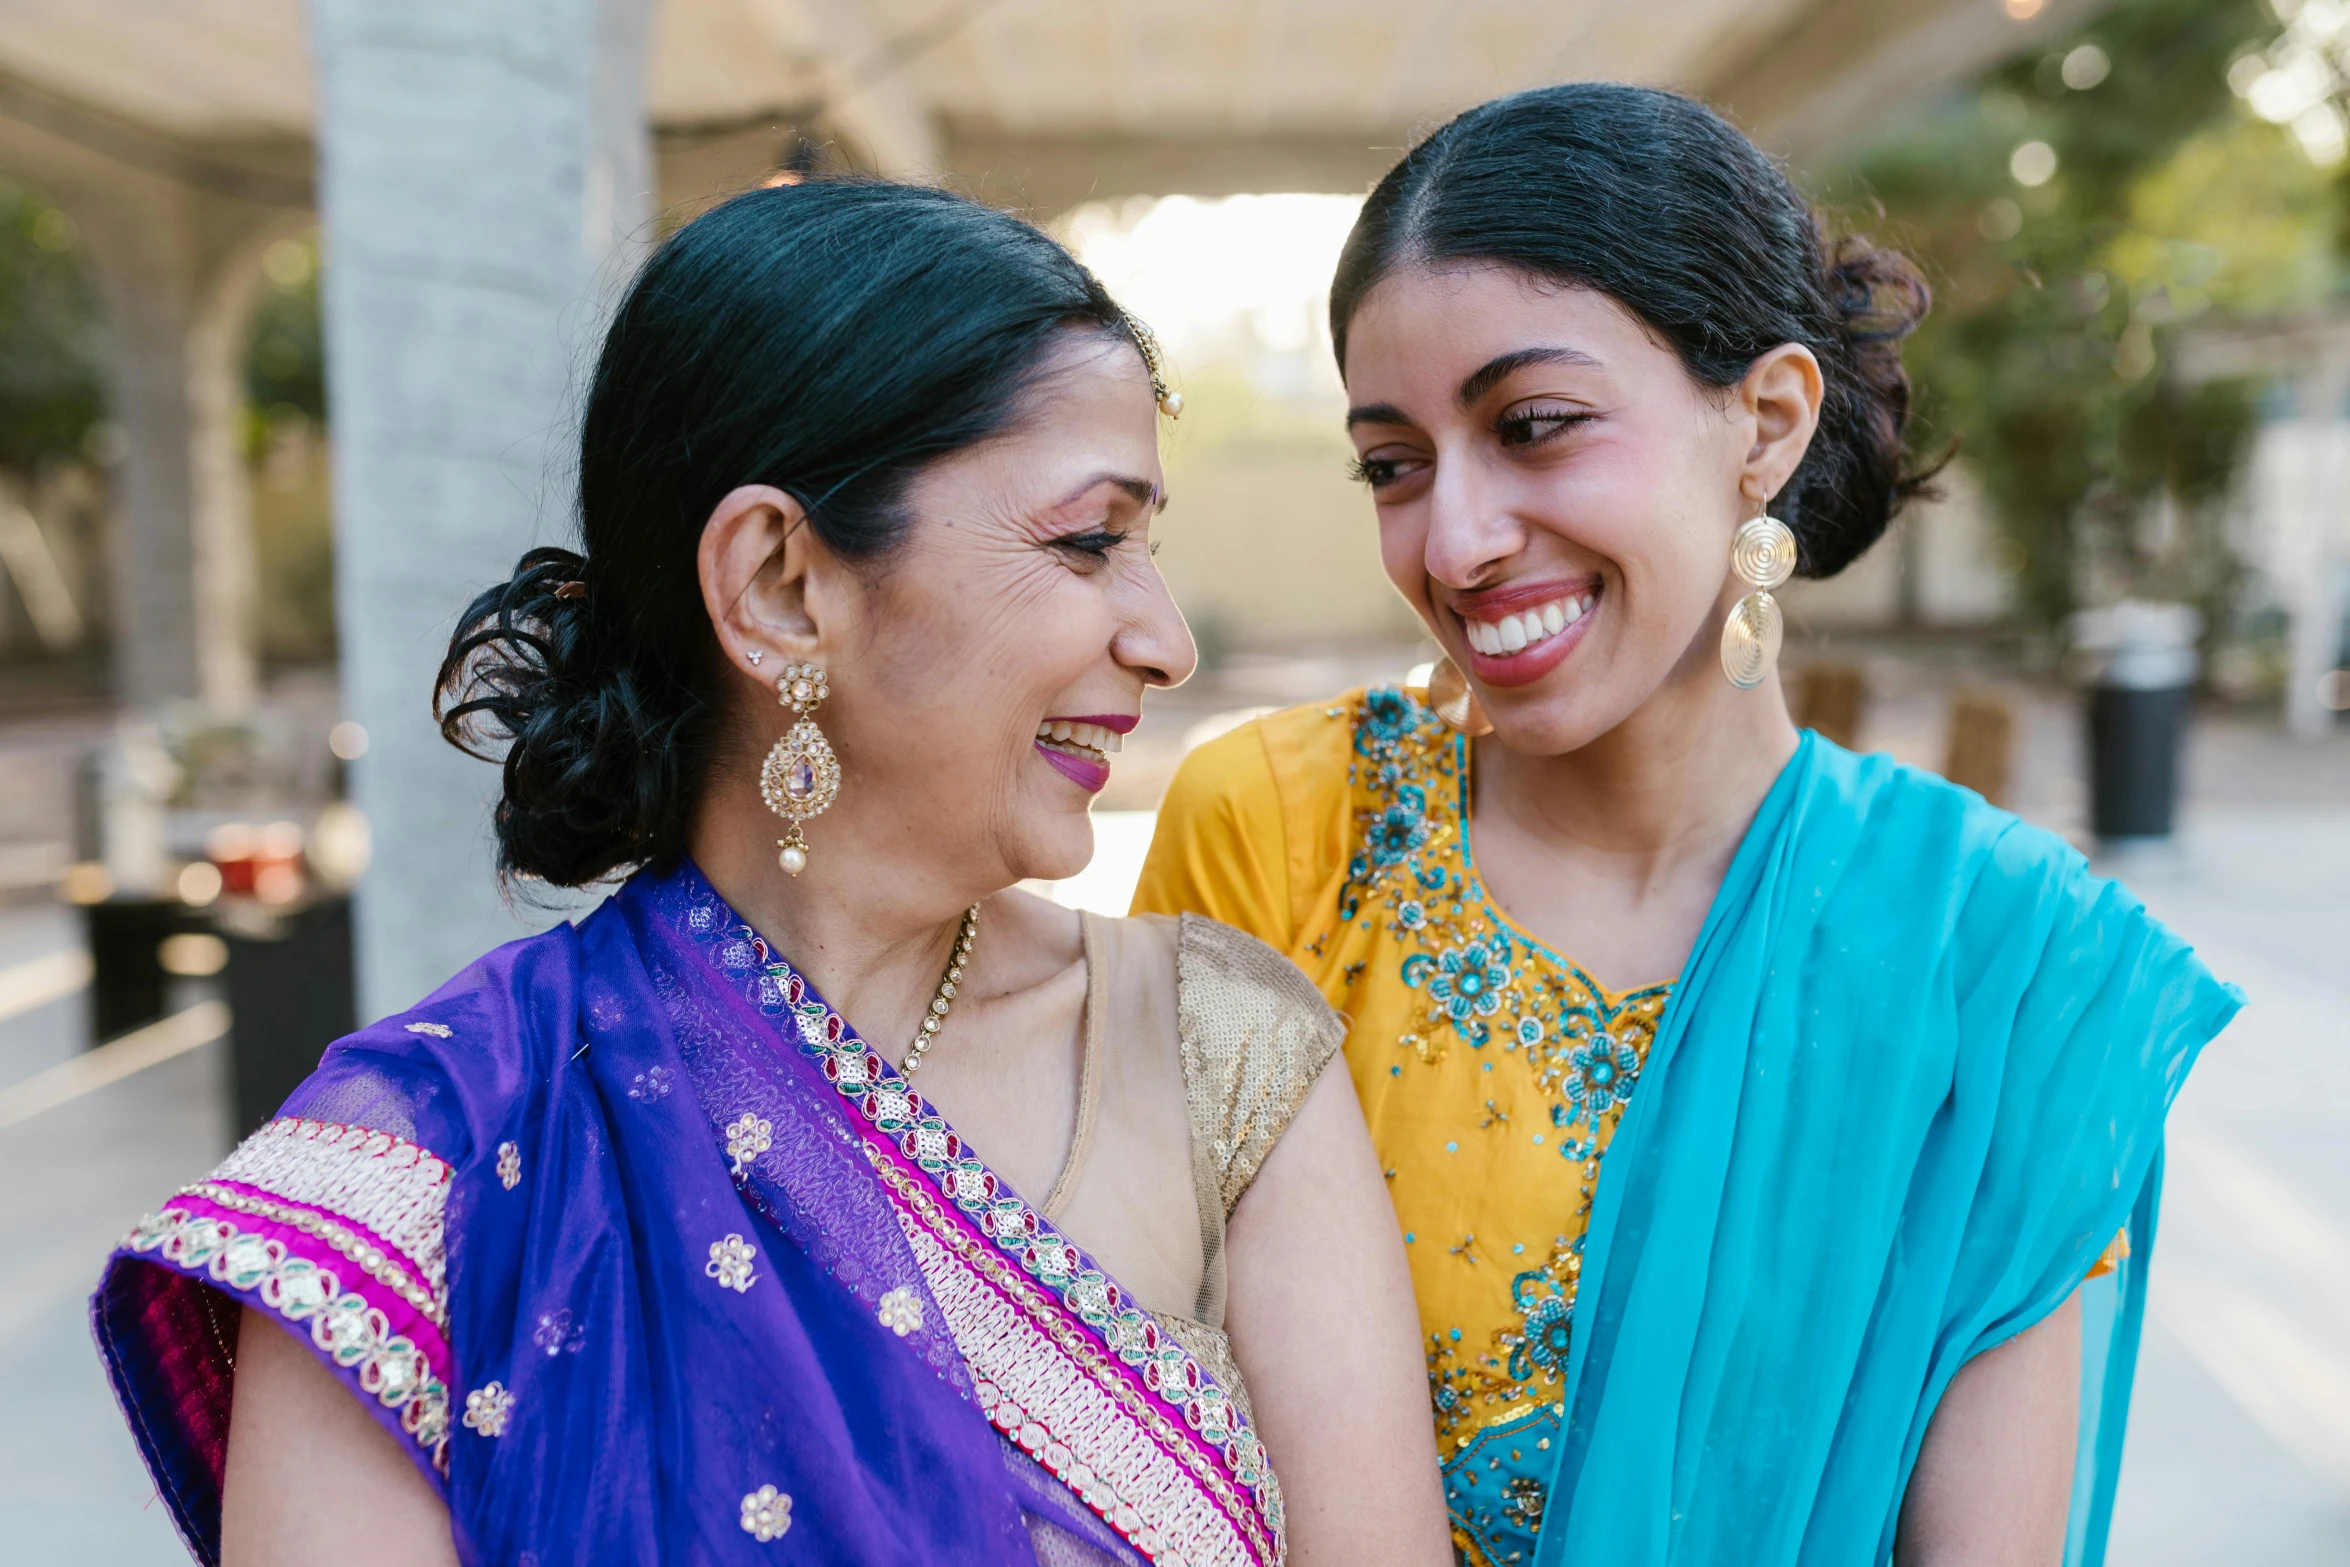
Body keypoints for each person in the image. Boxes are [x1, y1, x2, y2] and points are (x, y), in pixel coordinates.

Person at [92, 180, 1452, 1567]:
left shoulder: (1222, 1059)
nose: (1164, 640)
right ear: (780, 583)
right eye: (1088, 540)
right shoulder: (417, 1178)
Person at [1132, 84, 2240, 1567]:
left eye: (1533, 427)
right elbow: (1133, 1431)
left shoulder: (1995, 961)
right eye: (1391, 464)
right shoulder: (1276, 833)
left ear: (1765, 424)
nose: (1451, 541)